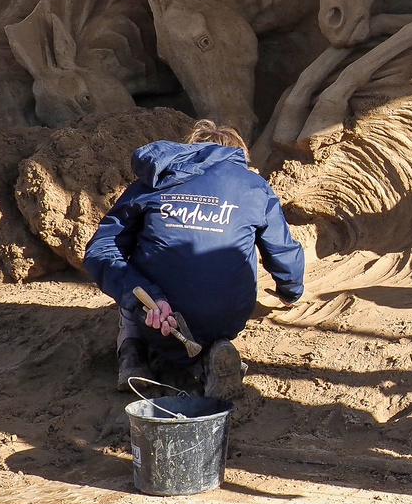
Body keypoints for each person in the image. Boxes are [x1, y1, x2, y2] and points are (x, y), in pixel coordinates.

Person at [85, 119, 305, 399]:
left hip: (156, 312)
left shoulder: (156, 180)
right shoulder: (253, 186)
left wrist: (140, 291)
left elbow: (101, 248)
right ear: (236, 155)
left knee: (129, 276)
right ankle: (213, 351)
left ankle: (133, 355)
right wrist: (290, 290)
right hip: (227, 315)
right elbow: (282, 250)